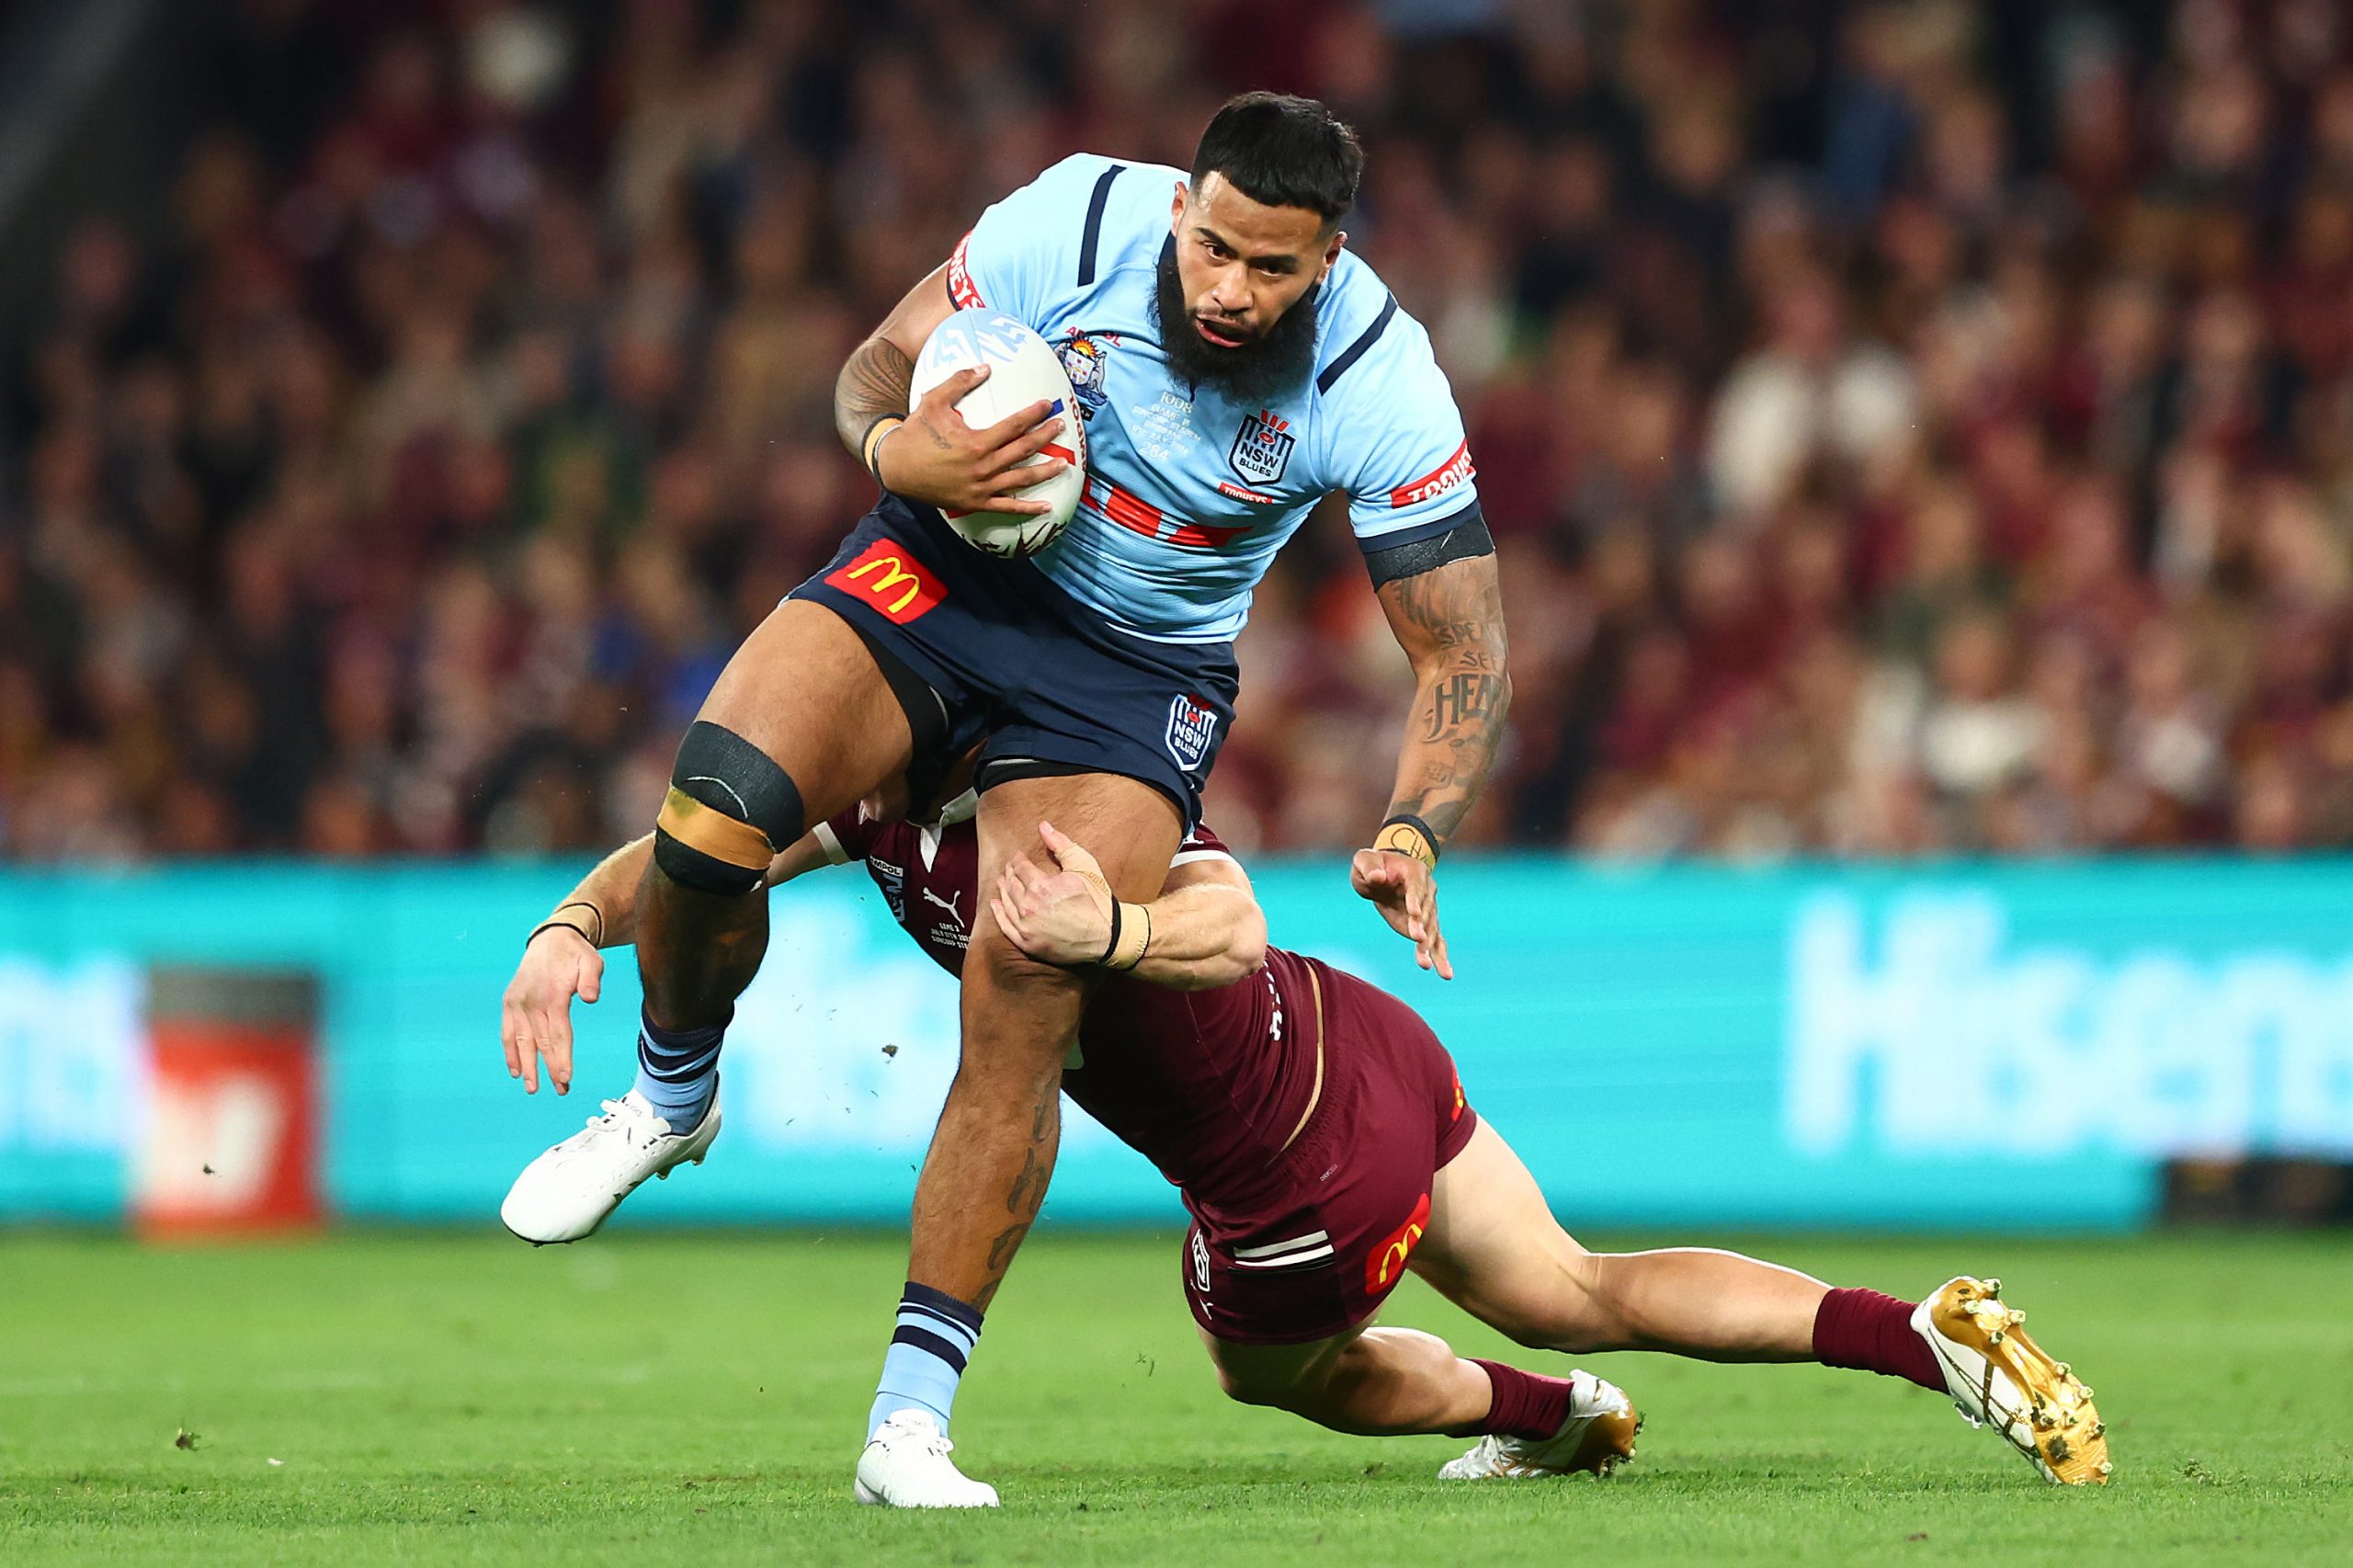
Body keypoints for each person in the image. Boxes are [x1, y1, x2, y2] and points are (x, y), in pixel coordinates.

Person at [502, 91, 1510, 1501]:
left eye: (1272, 267)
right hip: (949, 566)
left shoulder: (1376, 373)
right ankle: (672, 1092)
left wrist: (1415, 823)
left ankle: (907, 1424)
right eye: (1215, 247)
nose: (1231, 290)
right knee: (718, 795)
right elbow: (873, 371)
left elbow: (1462, 646)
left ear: (1330, 254)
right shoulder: (1078, 216)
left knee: (1028, 969)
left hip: (1132, 668)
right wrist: (893, 453)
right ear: (1180, 207)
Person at [500, 775, 2112, 1506]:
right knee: (1572, 1276)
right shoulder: (866, 791)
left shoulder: (1073, 785)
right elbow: (696, 851)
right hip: (1363, 1042)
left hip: (1292, 1172)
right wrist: (580, 918)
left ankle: (1554, 1420)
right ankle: (1921, 1339)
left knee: (1274, 1373)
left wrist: (1107, 929)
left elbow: (1224, 910)